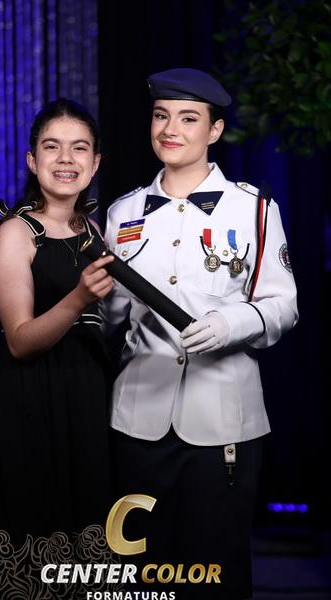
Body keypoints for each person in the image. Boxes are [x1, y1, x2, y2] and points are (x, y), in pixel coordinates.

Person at [103, 68, 298, 599]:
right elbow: (113, 316)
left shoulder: (254, 209)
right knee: (139, 577)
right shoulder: (122, 212)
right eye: (160, 116)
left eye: (188, 119)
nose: (170, 129)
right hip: (137, 419)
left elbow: (284, 306)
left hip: (223, 423)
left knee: (216, 575)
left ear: (214, 130)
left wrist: (232, 323)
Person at [0, 98, 117, 599]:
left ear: (96, 162)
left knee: (87, 543)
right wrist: (79, 298)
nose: (66, 159)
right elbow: (20, 341)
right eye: (52, 147)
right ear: (33, 160)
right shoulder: (16, 232)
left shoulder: (94, 231)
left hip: (86, 398)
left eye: (80, 148)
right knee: (31, 546)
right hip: (32, 401)